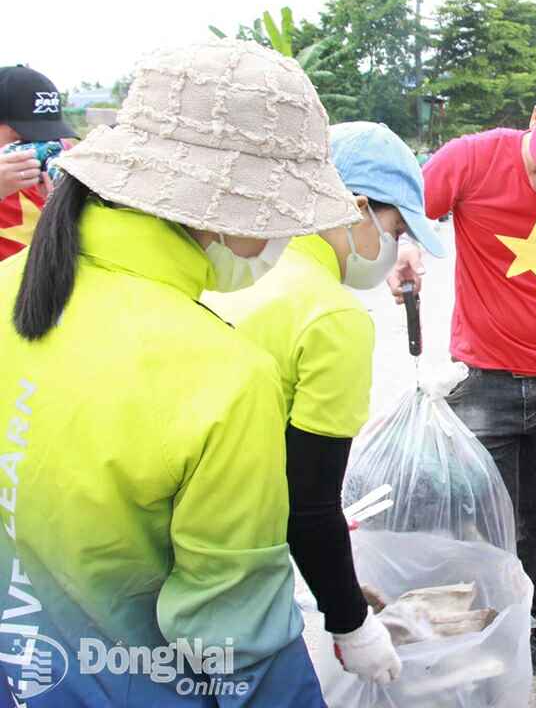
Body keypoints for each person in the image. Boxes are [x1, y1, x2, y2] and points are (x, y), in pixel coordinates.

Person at [0, 40, 363, 705]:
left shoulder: (10, 284)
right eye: (278, 219)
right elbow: (233, 642)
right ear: (222, 215)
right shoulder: (223, 375)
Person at [387, 78, 536, 686]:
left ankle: (522, 625)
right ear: (533, 118)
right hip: (484, 378)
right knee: (472, 522)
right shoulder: (473, 158)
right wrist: (403, 247)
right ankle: (468, 636)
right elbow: (401, 211)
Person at [203, 122, 447, 687]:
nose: (392, 248)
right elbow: (309, 505)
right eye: (394, 228)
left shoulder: (236, 272)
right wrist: (350, 621)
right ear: (357, 207)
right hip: (231, 580)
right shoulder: (332, 315)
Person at [0, 65, 79, 260]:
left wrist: (68, 204)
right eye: (24, 140)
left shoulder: (66, 158)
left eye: (50, 138)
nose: (38, 150)